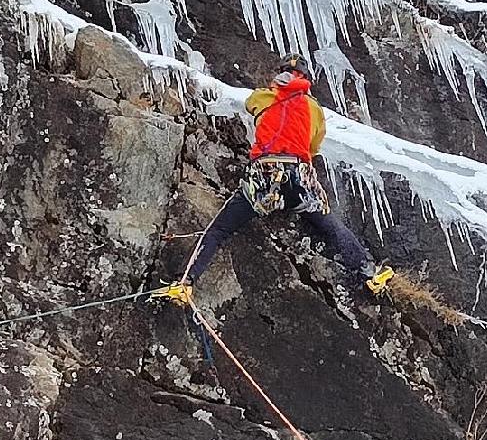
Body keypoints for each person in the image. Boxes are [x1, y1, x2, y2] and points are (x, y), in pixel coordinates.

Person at [156, 56, 392, 304]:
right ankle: (370, 273)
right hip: (300, 178)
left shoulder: (263, 97)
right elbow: (313, 146)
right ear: (305, 79)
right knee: (331, 227)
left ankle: (185, 284)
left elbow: (250, 105)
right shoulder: (315, 109)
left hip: (266, 176)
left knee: (220, 229)